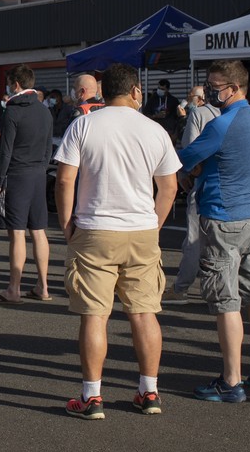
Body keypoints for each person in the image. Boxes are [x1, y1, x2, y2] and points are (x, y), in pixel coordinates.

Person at [54, 62, 180, 418]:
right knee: (144, 313)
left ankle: (92, 396)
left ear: (102, 91)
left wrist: (66, 223)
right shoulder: (154, 129)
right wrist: (154, 225)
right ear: (136, 90)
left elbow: (64, 180)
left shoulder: (84, 125)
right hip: (141, 229)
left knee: (95, 315)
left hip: (95, 228)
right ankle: (149, 391)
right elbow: (169, 187)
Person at [176, 60, 250, 402]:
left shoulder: (221, 124)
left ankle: (231, 381)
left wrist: (190, 169)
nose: (210, 91)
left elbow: (185, 158)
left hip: (222, 217)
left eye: (215, 86)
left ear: (234, 88)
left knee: (226, 301)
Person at [0, 65, 54, 303]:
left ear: (15, 84)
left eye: (9, 83)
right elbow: (48, 146)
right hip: (38, 173)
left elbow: (5, 150)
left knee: (17, 232)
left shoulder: (12, 111)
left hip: (17, 174)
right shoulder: (44, 111)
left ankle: (14, 288)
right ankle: (43, 286)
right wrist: (42, 167)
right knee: (38, 230)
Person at [165, 83, 218, 300]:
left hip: (202, 182)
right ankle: (214, 288)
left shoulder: (199, 114)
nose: (188, 99)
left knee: (195, 239)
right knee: (219, 242)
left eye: (191, 95)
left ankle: (181, 288)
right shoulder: (239, 114)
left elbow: (189, 150)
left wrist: (183, 174)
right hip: (229, 186)